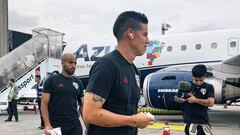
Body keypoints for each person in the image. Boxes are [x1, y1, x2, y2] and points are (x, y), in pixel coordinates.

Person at [83, 11, 154, 135]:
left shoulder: (134, 70)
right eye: (145, 35)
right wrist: (134, 120)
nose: (148, 41)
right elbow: (90, 114)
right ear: (130, 33)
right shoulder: (107, 65)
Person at [41, 53, 84, 135]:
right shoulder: (51, 81)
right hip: (56, 125)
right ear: (62, 63)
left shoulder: (78, 82)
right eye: (70, 62)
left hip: (75, 126)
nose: (73, 65)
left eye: (75, 63)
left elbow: (82, 105)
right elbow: (44, 104)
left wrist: (87, 126)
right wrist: (47, 124)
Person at [175, 64, 215, 135]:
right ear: (192, 77)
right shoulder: (185, 85)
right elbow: (176, 98)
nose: (199, 82)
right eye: (196, 80)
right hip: (189, 121)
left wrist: (196, 100)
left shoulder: (209, 87)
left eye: (201, 80)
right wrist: (181, 99)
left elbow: (211, 103)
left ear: (205, 76)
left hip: (203, 121)